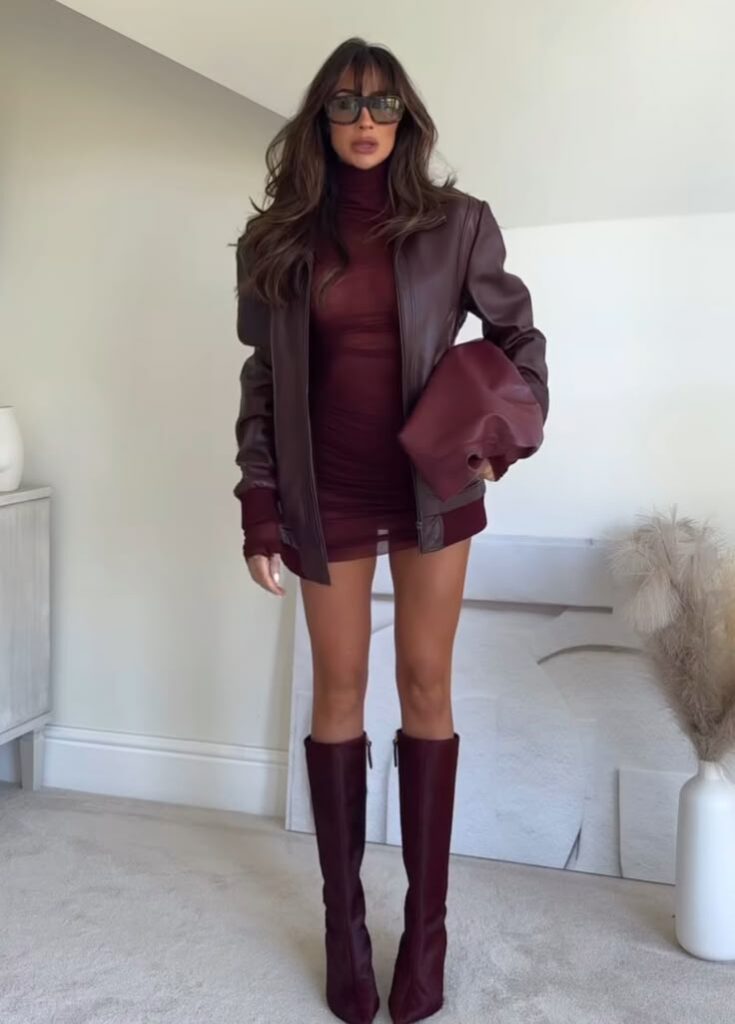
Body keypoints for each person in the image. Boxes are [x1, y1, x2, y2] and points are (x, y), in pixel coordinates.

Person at [232, 37, 549, 1024]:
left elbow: (520, 347)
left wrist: (492, 444)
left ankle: (427, 927)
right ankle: (341, 921)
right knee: (335, 688)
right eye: (344, 105)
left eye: (382, 105)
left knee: (424, 684)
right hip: (326, 493)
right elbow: (260, 381)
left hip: (429, 494)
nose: (364, 122)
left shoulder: (457, 226)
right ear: (321, 121)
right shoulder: (279, 238)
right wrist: (259, 500)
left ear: (404, 119)